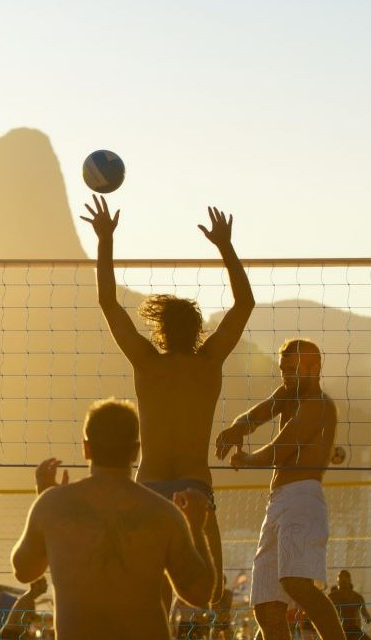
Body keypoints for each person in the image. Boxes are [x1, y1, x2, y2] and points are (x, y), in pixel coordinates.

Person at [81, 195, 254, 605]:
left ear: (160, 331)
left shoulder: (146, 362)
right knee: (208, 592)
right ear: (196, 330)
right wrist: (226, 247)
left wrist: (105, 240)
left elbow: (107, 301)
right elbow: (244, 304)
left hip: (149, 487)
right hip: (195, 488)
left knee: (148, 594)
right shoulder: (209, 362)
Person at [11, 397, 216, 638]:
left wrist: (44, 501)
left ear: (86, 448)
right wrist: (195, 526)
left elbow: (24, 571)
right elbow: (199, 593)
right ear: (135, 451)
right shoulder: (164, 514)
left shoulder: (52, 505)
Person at [215, 338, 344, 640]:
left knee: (297, 584)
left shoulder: (318, 405)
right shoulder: (287, 394)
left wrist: (246, 458)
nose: (286, 376)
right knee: (266, 606)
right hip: (277, 502)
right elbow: (256, 416)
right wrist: (237, 427)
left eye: (293, 369)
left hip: (302, 499)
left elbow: (281, 448)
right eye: (283, 370)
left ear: (314, 369)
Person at [327, 571, 371, 639]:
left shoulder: (357, 597)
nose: (343, 579)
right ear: (337, 580)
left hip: (354, 632)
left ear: (349, 580)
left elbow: (366, 615)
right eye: (341, 577)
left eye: (345, 577)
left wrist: (367, 618)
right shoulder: (331, 597)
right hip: (338, 631)